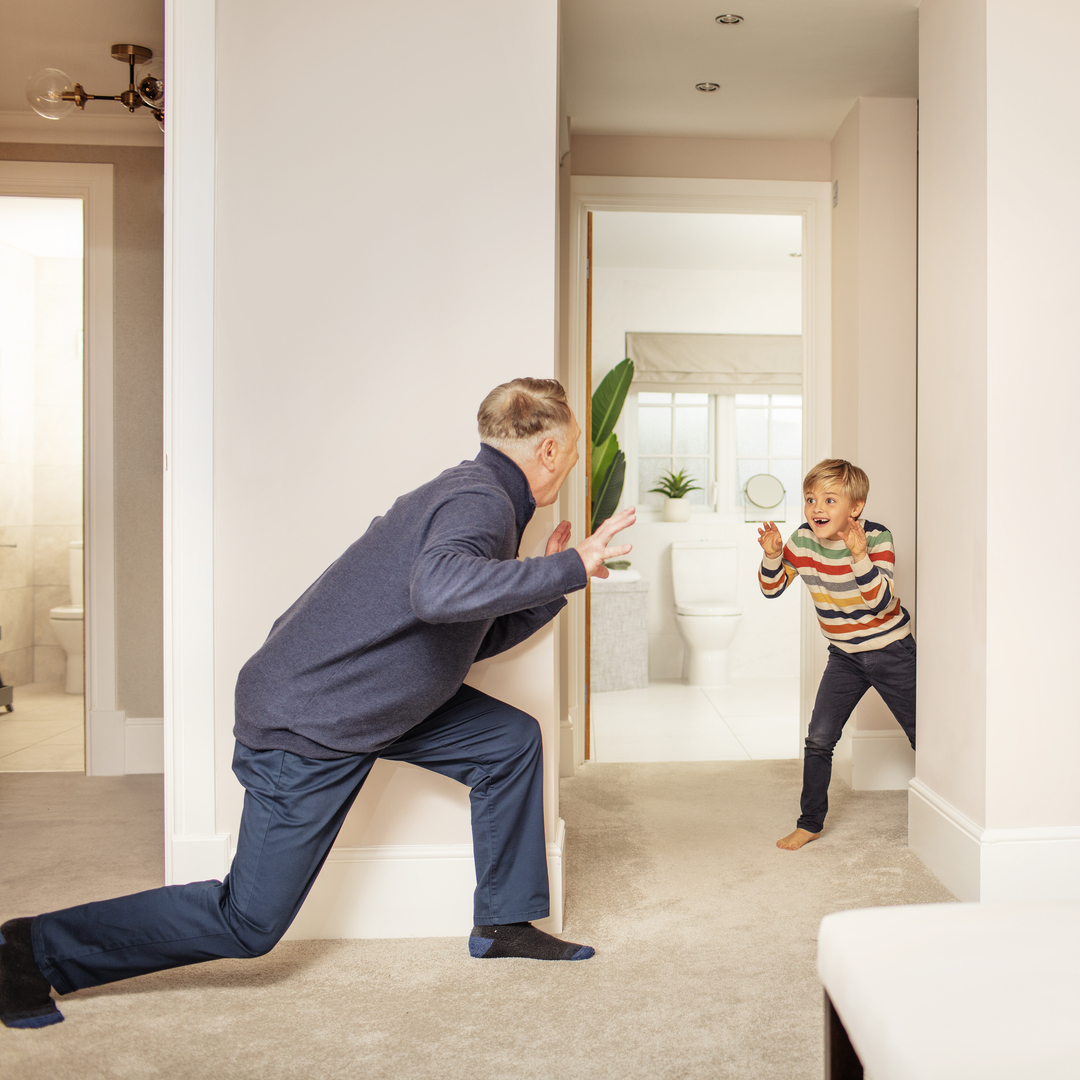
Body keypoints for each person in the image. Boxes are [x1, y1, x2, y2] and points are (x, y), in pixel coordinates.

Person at [0, 377, 635, 1030]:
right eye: (573, 449)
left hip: (372, 701)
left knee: (507, 741)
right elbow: (440, 592)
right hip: (313, 720)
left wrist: (553, 584)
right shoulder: (481, 500)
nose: (573, 460)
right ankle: (29, 950)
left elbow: (464, 635)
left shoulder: (471, 493)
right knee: (247, 923)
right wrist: (569, 565)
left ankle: (504, 923)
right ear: (550, 450)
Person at [757, 459, 915, 851]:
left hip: (892, 651)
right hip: (844, 656)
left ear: (855, 507)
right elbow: (771, 589)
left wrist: (859, 555)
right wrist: (773, 555)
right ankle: (810, 823)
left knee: (924, 734)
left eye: (829, 500)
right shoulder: (802, 539)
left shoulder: (876, 538)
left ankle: (950, 806)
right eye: (811, 499)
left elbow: (880, 603)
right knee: (819, 739)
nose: (817, 508)